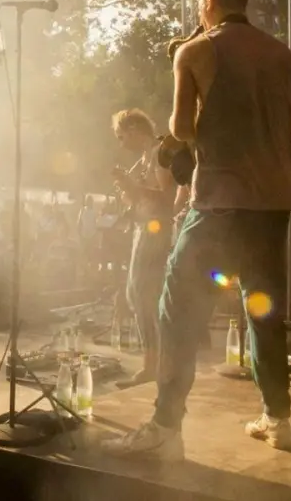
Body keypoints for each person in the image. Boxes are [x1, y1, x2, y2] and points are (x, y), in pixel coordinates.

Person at [106, 0, 291, 459]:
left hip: (219, 203)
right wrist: (267, 154)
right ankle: (278, 419)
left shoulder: (195, 51)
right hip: (272, 204)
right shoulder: (284, 55)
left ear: (207, 0)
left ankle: (165, 428)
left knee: (177, 308)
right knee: (264, 311)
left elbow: (180, 129)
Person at [110, 108, 177, 388]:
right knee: (136, 293)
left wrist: (132, 187)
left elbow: (168, 198)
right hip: (144, 228)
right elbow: (140, 201)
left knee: (142, 293)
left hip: (156, 229)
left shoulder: (160, 153)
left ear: (135, 129)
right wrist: (127, 193)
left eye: (121, 136)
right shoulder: (143, 160)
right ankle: (154, 362)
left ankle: (154, 365)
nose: (120, 143)